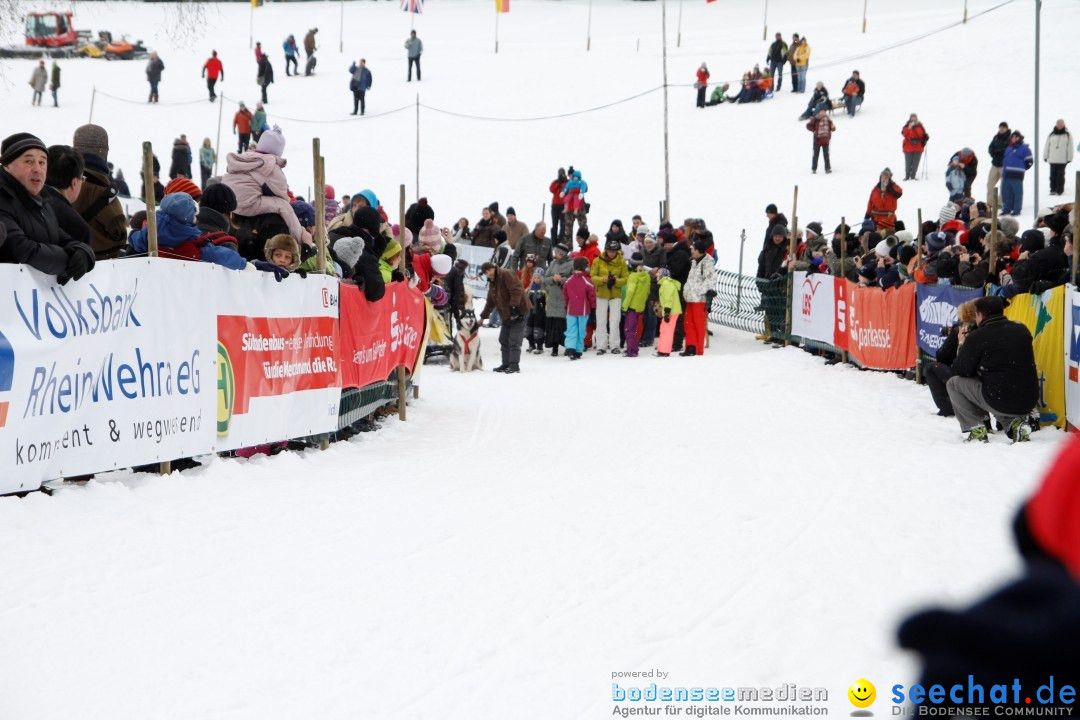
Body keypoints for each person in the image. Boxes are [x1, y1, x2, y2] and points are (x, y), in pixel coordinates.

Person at [0, 133, 95, 282]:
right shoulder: (3, 198)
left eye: (42, 162)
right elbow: (22, 250)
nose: (37, 169)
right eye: (29, 161)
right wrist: (68, 262)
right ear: (7, 165)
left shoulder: (41, 202)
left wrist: (83, 253)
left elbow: (63, 238)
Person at [945, 296, 1038, 443]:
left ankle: (975, 428)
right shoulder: (1021, 329)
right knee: (997, 384)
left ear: (980, 315)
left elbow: (961, 371)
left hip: (1001, 398)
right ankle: (1014, 426)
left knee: (954, 383)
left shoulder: (977, 337)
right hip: (1029, 399)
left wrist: (963, 345)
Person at [223, 125, 312, 253]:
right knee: (283, 206)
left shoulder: (245, 157)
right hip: (247, 204)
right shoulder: (270, 164)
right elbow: (281, 194)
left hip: (230, 202)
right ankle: (299, 241)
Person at [71, 124, 128, 260]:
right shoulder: (103, 190)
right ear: (104, 151)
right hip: (99, 266)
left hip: (61, 262)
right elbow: (119, 233)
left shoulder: (60, 182)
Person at [925, 300, 977, 417]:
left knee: (931, 368)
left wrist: (954, 337)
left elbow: (943, 357)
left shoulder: (963, 330)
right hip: (990, 378)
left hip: (969, 377)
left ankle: (948, 408)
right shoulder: (989, 328)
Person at [479, 261, 530, 373]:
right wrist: (483, 317)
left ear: (493, 268)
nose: (488, 274)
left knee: (514, 339)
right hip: (507, 313)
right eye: (486, 273)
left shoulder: (506, 273)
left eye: (489, 271)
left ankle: (514, 365)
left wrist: (514, 307)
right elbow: (490, 302)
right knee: (503, 338)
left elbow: (516, 290)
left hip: (519, 311)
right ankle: (505, 363)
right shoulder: (493, 282)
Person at [590, 238, 629, 355]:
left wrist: (616, 281)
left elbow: (626, 279)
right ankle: (601, 345)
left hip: (615, 294)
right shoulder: (598, 260)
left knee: (615, 320)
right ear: (606, 250)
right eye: (610, 250)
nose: (612, 253)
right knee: (601, 320)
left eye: (614, 251)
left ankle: (614, 345)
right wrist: (603, 279)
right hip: (602, 293)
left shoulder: (621, 262)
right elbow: (592, 276)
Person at [682, 235, 716, 357]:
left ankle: (698, 350)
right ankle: (690, 347)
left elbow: (710, 280)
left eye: (693, 249)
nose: (691, 251)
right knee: (688, 322)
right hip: (691, 298)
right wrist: (687, 291)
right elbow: (690, 279)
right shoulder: (694, 262)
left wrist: (698, 291)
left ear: (698, 251)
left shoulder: (707, 263)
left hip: (700, 299)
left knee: (698, 324)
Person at [561, 256, 596, 360]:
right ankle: (578, 349)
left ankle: (570, 347)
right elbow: (592, 296)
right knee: (581, 330)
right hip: (583, 311)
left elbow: (565, 295)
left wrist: (567, 305)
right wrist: (593, 307)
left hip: (571, 310)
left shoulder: (568, 281)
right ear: (584, 267)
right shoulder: (587, 281)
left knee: (571, 329)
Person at [543, 242, 574, 357]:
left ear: (562, 254)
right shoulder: (552, 263)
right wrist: (553, 278)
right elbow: (545, 279)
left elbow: (573, 279)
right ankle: (554, 347)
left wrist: (562, 279)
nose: (554, 254)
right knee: (552, 322)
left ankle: (567, 346)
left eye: (556, 252)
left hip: (563, 297)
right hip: (552, 297)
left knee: (563, 322)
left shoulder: (571, 264)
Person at [1001, 131, 1033, 216]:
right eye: (1013, 137)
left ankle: (1016, 210)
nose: (1014, 138)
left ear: (1020, 138)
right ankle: (1006, 209)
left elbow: (1029, 161)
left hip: (1017, 175)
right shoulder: (1008, 148)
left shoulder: (1025, 148)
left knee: (1017, 193)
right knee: (1006, 192)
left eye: (1016, 137)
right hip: (1006, 174)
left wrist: (1021, 168)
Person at [655, 269, 682, 357]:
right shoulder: (665, 283)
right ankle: (661, 349)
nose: (656, 274)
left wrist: (667, 311)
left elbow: (668, 299)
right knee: (664, 329)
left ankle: (665, 350)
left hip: (671, 311)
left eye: (658, 273)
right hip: (670, 310)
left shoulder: (667, 284)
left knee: (667, 330)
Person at [1043, 119, 1073, 196]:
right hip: (1052, 159)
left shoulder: (1067, 135)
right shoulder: (1051, 134)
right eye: (1058, 124)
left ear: (1064, 125)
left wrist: (1070, 157)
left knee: (1060, 176)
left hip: (1062, 159)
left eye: (1061, 124)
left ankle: (1060, 190)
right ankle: (1052, 189)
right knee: (1052, 176)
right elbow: (1047, 145)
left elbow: (1070, 147)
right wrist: (1045, 155)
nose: (1059, 125)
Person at [987, 121, 1011, 204]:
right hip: (995, 164)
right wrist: (993, 153)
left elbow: (1010, 151)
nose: (1001, 129)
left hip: (1004, 166)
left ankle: (1000, 203)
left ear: (1006, 129)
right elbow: (990, 148)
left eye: (1003, 128)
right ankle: (990, 203)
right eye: (1000, 128)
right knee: (990, 184)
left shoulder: (1010, 138)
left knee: (1003, 186)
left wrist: (1001, 152)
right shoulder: (996, 137)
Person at [562, 169, 588, 242]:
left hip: (580, 207)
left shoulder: (581, 182)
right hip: (569, 208)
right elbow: (564, 191)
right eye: (570, 175)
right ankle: (568, 247)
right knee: (568, 228)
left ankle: (585, 244)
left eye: (572, 175)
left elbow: (585, 189)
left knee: (583, 227)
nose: (571, 176)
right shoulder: (568, 183)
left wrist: (575, 190)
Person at [524, 269, 547, 354]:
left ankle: (539, 347)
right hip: (530, 312)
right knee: (528, 329)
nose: (536, 279)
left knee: (538, 329)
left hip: (540, 313)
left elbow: (546, 301)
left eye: (539, 278)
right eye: (535, 278)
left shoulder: (544, 289)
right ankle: (531, 344)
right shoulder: (530, 288)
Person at [806, 107, 834, 174]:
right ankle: (814, 169)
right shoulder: (815, 119)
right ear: (819, 112)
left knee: (826, 155)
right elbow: (808, 126)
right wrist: (814, 130)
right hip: (817, 140)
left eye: (824, 111)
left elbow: (832, 128)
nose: (823, 113)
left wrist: (833, 128)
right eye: (822, 111)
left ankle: (827, 168)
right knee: (815, 155)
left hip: (825, 140)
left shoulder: (828, 120)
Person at [901, 114, 928, 180]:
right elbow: (904, 134)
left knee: (916, 162)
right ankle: (907, 176)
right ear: (910, 118)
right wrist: (908, 128)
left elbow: (923, 135)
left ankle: (913, 175)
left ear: (916, 118)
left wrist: (926, 137)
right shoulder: (906, 126)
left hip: (918, 147)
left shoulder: (920, 126)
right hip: (908, 146)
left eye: (914, 117)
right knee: (908, 162)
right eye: (912, 118)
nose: (913, 119)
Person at [549, 168, 567, 243]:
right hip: (555, 206)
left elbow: (567, 190)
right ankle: (553, 241)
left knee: (563, 225)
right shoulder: (555, 182)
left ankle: (560, 241)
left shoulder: (567, 182)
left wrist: (562, 183)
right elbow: (551, 189)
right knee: (554, 224)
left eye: (562, 173)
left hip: (563, 206)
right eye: (560, 173)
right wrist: (558, 183)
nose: (561, 175)